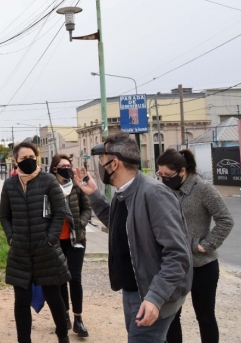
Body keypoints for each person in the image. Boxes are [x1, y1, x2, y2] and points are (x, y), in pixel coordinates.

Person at [73, 133, 192, 342]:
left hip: (151, 293)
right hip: (134, 289)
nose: (100, 165)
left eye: (102, 160)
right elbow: (122, 227)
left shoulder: (154, 194)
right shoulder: (124, 192)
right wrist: (93, 194)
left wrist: (155, 297)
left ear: (114, 163)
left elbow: (178, 254)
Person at [159, 148, 233, 343]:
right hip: (173, 265)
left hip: (202, 266)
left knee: (205, 316)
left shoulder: (202, 188)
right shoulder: (163, 189)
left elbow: (225, 220)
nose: (164, 178)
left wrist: (205, 245)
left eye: (168, 175)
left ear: (183, 171)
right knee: (171, 317)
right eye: (161, 174)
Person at [0, 142, 71, 343]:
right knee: (21, 302)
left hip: (46, 251)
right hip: (20, 253)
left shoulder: (48, 181)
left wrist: (50, 240)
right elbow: (4, 216)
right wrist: (11, 237)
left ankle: (62, 335)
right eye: (23, 158)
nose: (29, 160)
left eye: (32, 156)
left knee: (54, 298)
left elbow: (59, 214)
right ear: (16, 161)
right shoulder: (9, 185)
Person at [50, 154, 92, 338]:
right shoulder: (49, 187)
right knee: (60, 278)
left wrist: (80, 223)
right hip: (56, 240)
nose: (67, 168)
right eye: (63, 165)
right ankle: (64, 315)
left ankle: (78, 319)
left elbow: (87, 208)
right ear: (54, 169)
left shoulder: (77, 185)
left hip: (76, 239)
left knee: (75, 277)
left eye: (68, 165)